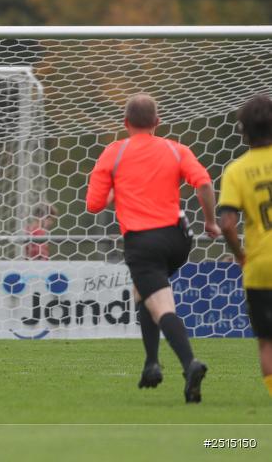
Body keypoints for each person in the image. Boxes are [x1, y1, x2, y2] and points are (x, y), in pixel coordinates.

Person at [86, 94, 219, 403]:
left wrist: (118, 189)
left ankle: (190, 365)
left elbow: (93, 205)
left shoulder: (114, 154)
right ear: (157, 123)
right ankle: (151, 364)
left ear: (125, 123)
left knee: (160, 305)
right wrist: (210, 222)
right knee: (143, 292)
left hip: (144, 241)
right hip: (179, 238)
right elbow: (203, 183)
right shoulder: (176, 149)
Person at [217, 94, 272, 399]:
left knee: (267, 341)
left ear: (243, 130)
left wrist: (240, 255)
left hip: (261, 266)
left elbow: (226, 223)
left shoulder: (237, 171)